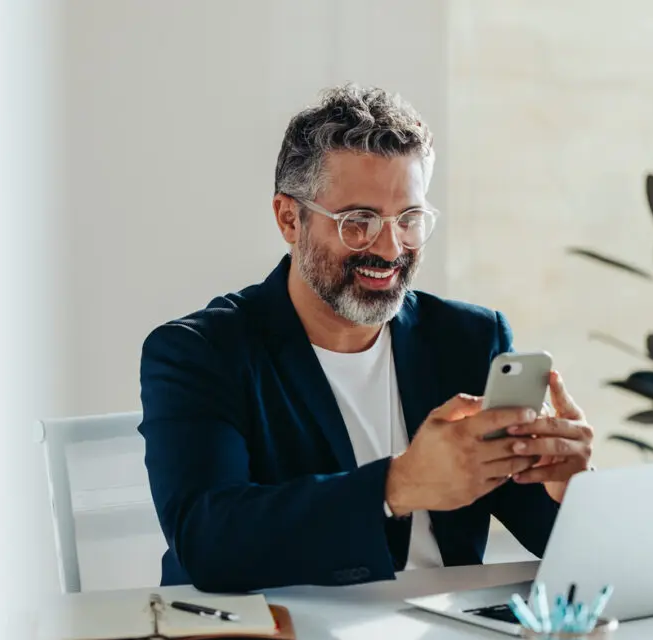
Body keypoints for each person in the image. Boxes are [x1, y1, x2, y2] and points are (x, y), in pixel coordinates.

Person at [139, 84, 594, 593]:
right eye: (359, 222)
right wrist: (397, 486)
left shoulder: (468, 338)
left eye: (410, 219)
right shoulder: (199, 353)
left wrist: (566, 491)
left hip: (441, 637)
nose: (390, 246)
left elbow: (553, 538)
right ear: (290, 219)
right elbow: (208, 543)